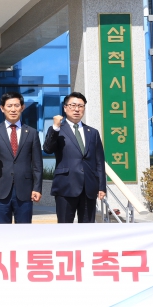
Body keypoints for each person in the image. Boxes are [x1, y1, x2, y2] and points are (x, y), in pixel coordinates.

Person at [43, 92, 106, 223]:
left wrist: (101, 186)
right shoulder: (57, 129)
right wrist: (55, 127)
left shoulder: (92, 132)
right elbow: (48, 149)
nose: (77, 109)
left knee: (87, 227)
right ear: (65, 108)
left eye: (80, 106)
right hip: (66, 185)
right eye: (73, 105)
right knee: (65, 226)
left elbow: (99, 161)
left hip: (89, 187)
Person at [0, 92, 43, 224]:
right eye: (9, 106)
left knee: (23, 231)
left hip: (25, 190)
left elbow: (37, 164)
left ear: (22, 108)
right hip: (0, 189)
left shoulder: (32, 132)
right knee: (2, 231)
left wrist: (37, 188)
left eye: (16, 105)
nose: (13, 109)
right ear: (2, 108)